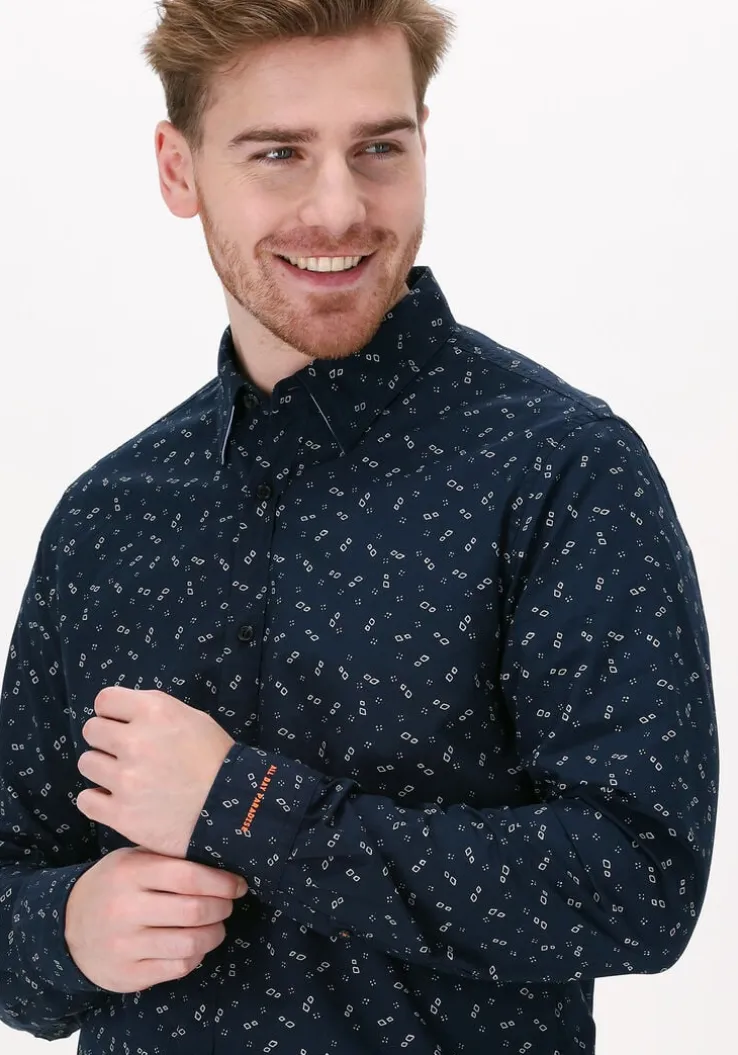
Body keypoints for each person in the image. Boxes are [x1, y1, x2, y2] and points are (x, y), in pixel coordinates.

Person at [0, 1, 719, 1053]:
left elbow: (640, 886)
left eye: (378, 148)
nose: (338, 209)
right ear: (178, 169)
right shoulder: (106, 516)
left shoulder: (563, 469)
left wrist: (246, 805)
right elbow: (14, 872)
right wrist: (66, 931)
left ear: (424, 139)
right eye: (279, 153)